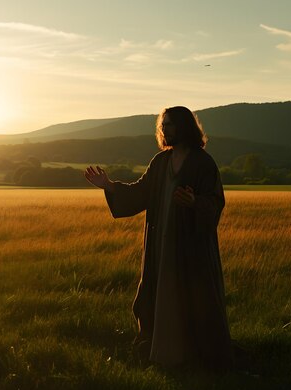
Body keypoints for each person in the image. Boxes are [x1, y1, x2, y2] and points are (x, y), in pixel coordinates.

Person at [84, 106, 232, 372]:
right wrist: (109, 186)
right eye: (163, 125)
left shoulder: (202, 163)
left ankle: (191, 355)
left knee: (190, 297)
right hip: (161, 245)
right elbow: (141, 192)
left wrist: (195, 202)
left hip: (189, 248)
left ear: (185, 127)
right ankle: (160, 351)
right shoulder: (160, 162)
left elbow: (215, 201)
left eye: (170, 124)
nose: (165, 129)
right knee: (158, 293)